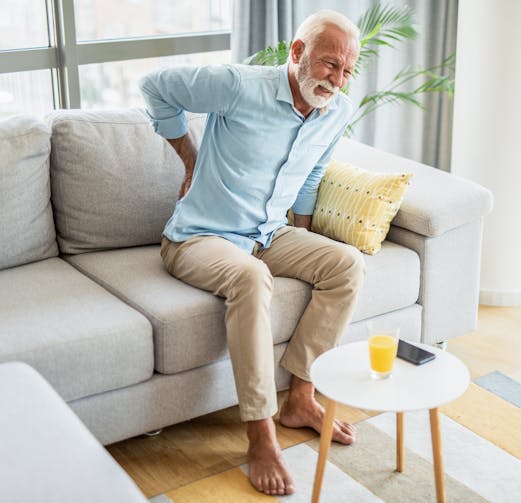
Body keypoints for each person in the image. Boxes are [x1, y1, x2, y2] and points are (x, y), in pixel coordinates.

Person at [139, 10, 363, 497]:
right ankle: (259, 434)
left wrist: (304, 238)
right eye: (329, 65)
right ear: (297, 53)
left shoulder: (338, 110)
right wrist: (190, 157)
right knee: (250, 278)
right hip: (198, 238)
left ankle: (300, 397)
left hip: (270, 234)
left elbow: (309, 178)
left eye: (347, 71)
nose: (337, 80)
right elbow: (154, 84)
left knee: (346, 263)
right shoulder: (239, 86)